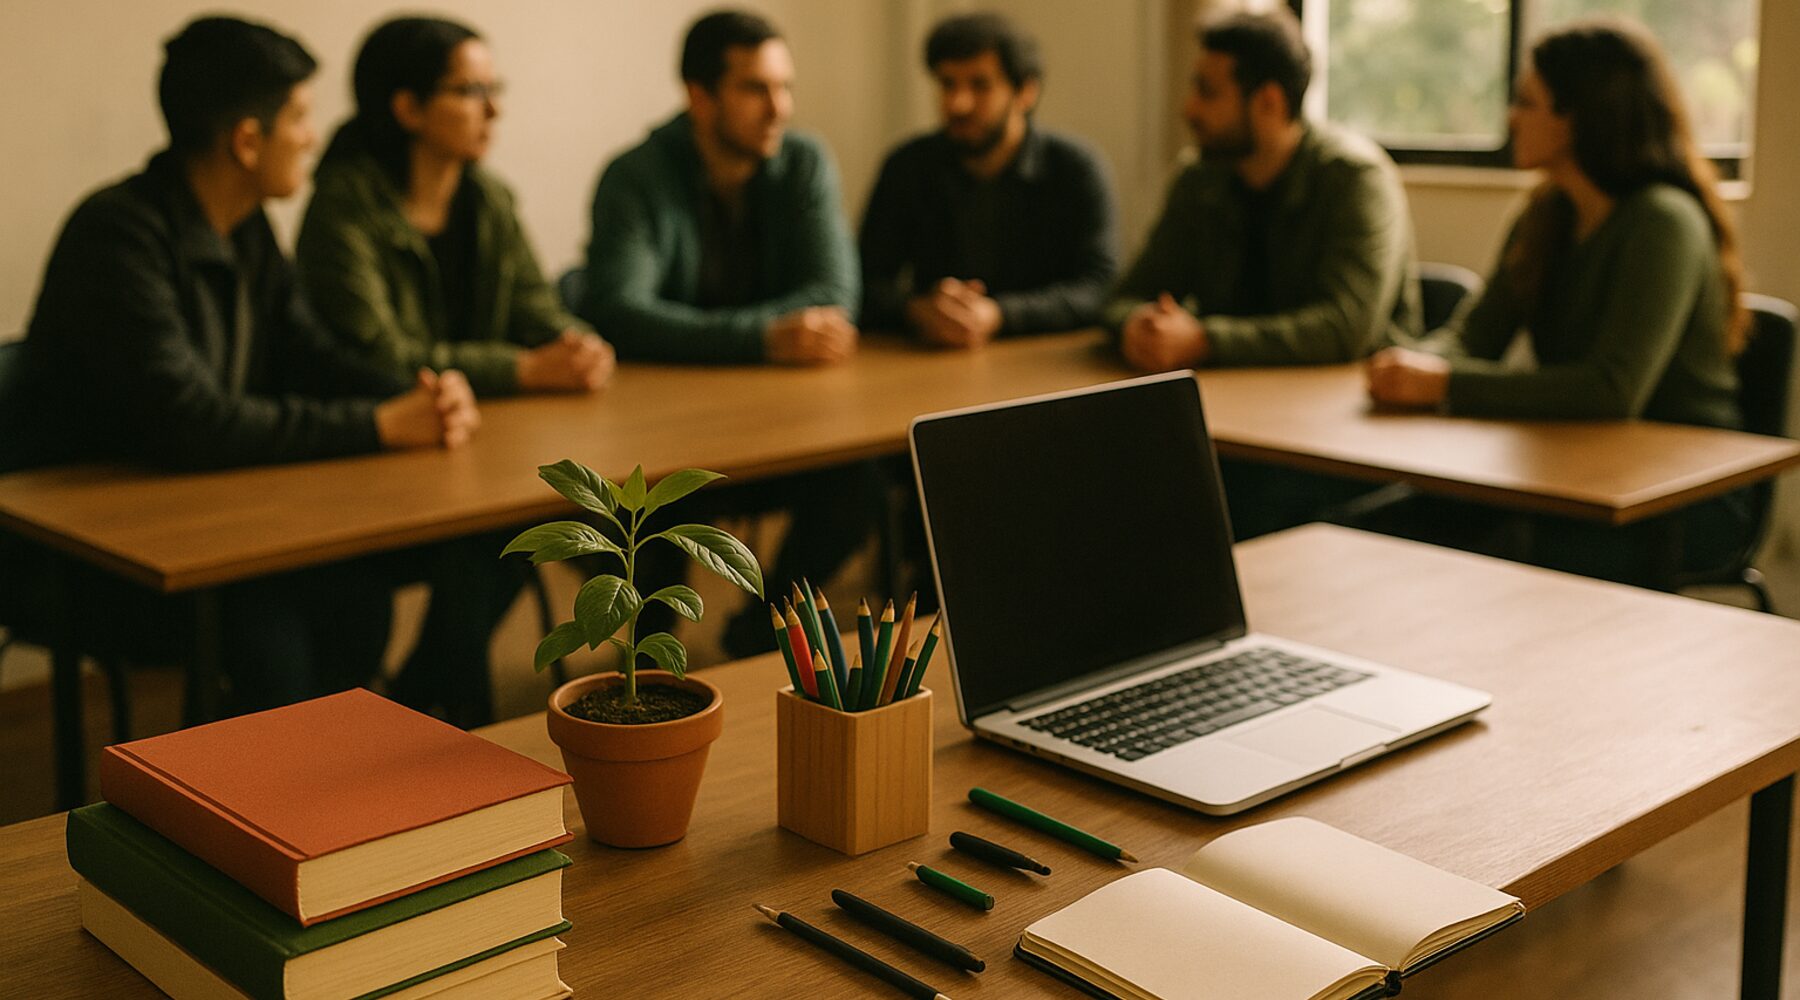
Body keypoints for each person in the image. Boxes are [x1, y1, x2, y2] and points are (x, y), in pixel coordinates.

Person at [17, 16, 480, 710]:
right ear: (245, 140)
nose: (312, 135)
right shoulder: (117, 236)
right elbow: (190, 421)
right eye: (299, 116)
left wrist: (419, 394)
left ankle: (349, 781)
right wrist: (378, 425)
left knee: (360, 591)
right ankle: (274, 799)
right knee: (281, 616)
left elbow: (311, 355)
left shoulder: (246, 227)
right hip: (93, 558)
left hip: (213, 516)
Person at [1362, 19, 1750, 584]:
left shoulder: (1663, 222)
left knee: (1473, 568)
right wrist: (1417, 364)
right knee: (1363, 535)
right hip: (1571, 474)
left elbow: (1610, 389)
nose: (1510, 118)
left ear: (1581, 116)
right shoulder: (1544, 215)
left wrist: (1442, 383)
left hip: (1682, 500)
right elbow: (1475, 336)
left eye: (1527, 102)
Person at [576, 10, 876, 656]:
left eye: (784, 87)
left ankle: (762, 624)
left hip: (783, 423)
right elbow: (620, 311)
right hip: (659, 435)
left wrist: (729, 336)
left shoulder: (803, 162)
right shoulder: (635, 176)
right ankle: (652, 677)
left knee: (866, 480)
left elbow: (833, 295)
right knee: (652, 521)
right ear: (699, 95)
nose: (780, 108)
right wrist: (765, 338)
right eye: (756, 90)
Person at [297, 16, 613, 398]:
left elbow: (538, 312)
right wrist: (521, 369)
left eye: (495, 89)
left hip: (487, 419)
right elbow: (379, 356)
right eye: (471, 91)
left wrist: (582, 347)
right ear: (409, 108)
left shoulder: (489, 198)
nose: (494, 109)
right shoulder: (343, 206)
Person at [1107, 8, 1419, 370]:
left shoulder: (1355, 179)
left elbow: (1343, 329)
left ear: (1269, 102)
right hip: (1230, 392)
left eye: (1207, 92)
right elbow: (1127, 295)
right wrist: (1139, 327)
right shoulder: (1199, 178)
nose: (1188, 109)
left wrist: (1205, 341)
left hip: (1347, 401)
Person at [859, 12, 1117, 343]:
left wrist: (1000, 314)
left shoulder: (1077, 169)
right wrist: (918, 309)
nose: (958, 103)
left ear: (1026, 92)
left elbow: (1099, 288)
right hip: (933, 363)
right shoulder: (907, 166)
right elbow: (865, 284)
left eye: (980, 85)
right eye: (947, 83)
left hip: (1044, 363)